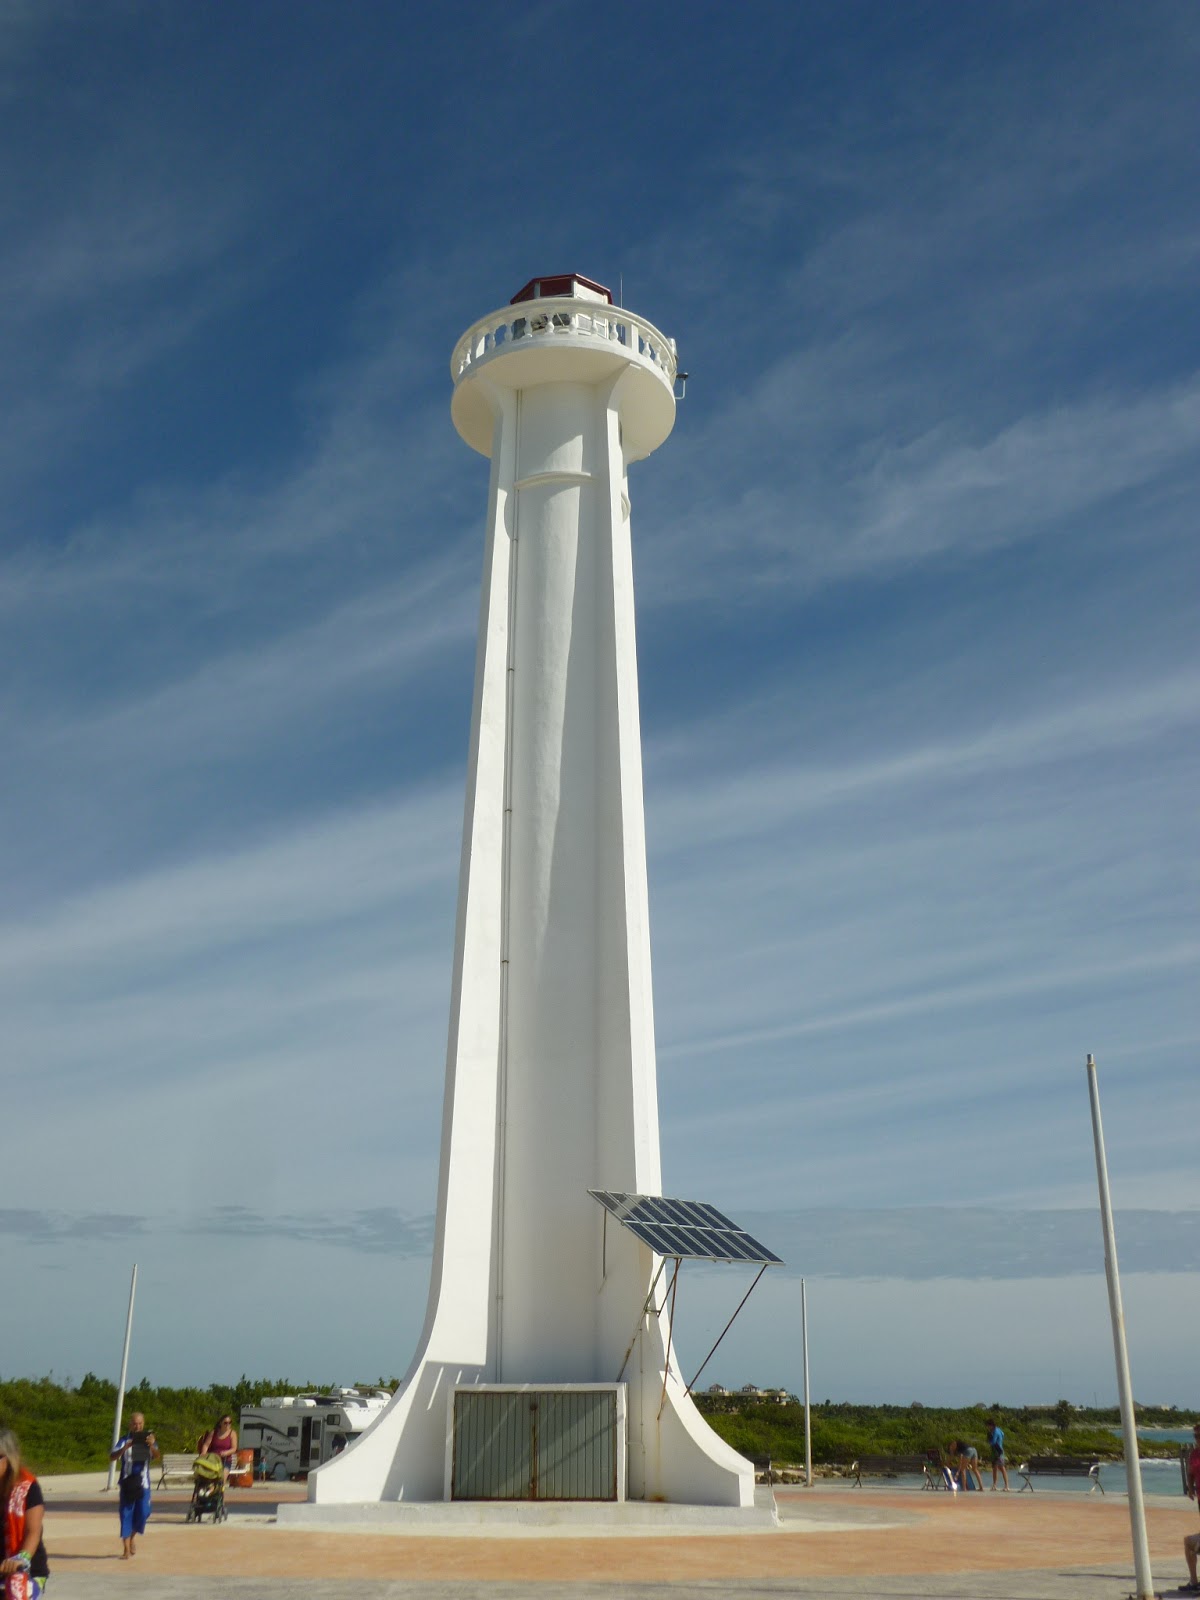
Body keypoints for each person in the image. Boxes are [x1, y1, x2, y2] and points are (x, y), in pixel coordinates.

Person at [0, 1427, 50, 1600]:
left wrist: (22, 1558)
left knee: (16, 1588)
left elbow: (33, 1531)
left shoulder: (28, 1487)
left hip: (25, 1570)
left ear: (10, 1458)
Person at [109, 1411, 158, 1559]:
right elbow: (112, 1457)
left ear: (143, 1424)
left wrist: (151, 1446)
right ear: (130, 1424)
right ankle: (125, 1549)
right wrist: (125, 1448)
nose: (137, 1426)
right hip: (128, 1483)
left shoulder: (148, 1439)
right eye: (135, 1423)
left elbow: (156, 1456)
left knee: (144, 1512)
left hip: (143, 1483)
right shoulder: (124, 1440)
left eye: (140, 1423)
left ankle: (132, 1536)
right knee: (126, 1513)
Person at [1183, 1421, 1200, 1593]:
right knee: (1190, 1542)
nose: (1197, 1439)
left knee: (1190, 1542)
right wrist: (1190, 1488)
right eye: (1195, 1436)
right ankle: (1194, 1581)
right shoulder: (1194, 1454)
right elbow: (1190, 1472)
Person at [986, 1418, 1010, 1491]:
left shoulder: (995, 1432)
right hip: (995, 1451)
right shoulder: (999, 1430)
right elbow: (1003, 1434)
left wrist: (989, 1439)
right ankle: (994, 1485)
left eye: (988, 1426)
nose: (988, 1427)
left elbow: (993, 1442)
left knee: (1002, 1468)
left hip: (998, 1451)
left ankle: (1006, 1486)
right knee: (995, 1468)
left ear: (991, 1425)